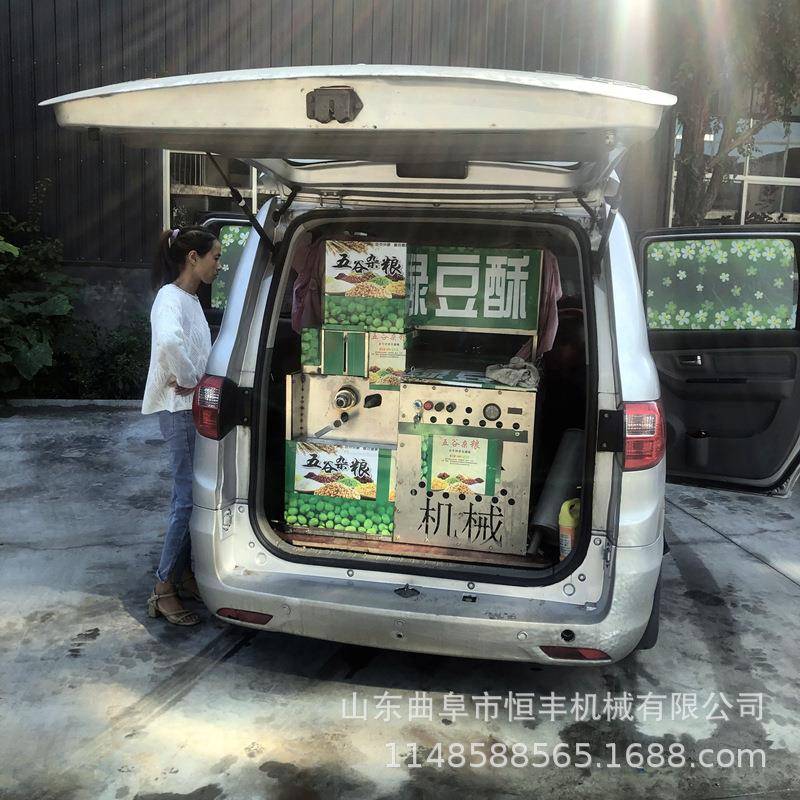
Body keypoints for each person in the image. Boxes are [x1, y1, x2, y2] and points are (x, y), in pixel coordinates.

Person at [143, 226, 221, 626]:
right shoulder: (169, 298)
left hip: (190, 409)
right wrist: (191, 378)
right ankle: (162, 588)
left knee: (192, 495)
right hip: (178, 409)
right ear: (193, 257)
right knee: (186, 499)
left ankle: (184, 575)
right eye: (215, 257)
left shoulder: (188, 299)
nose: (219, 266)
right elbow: (170, 343)